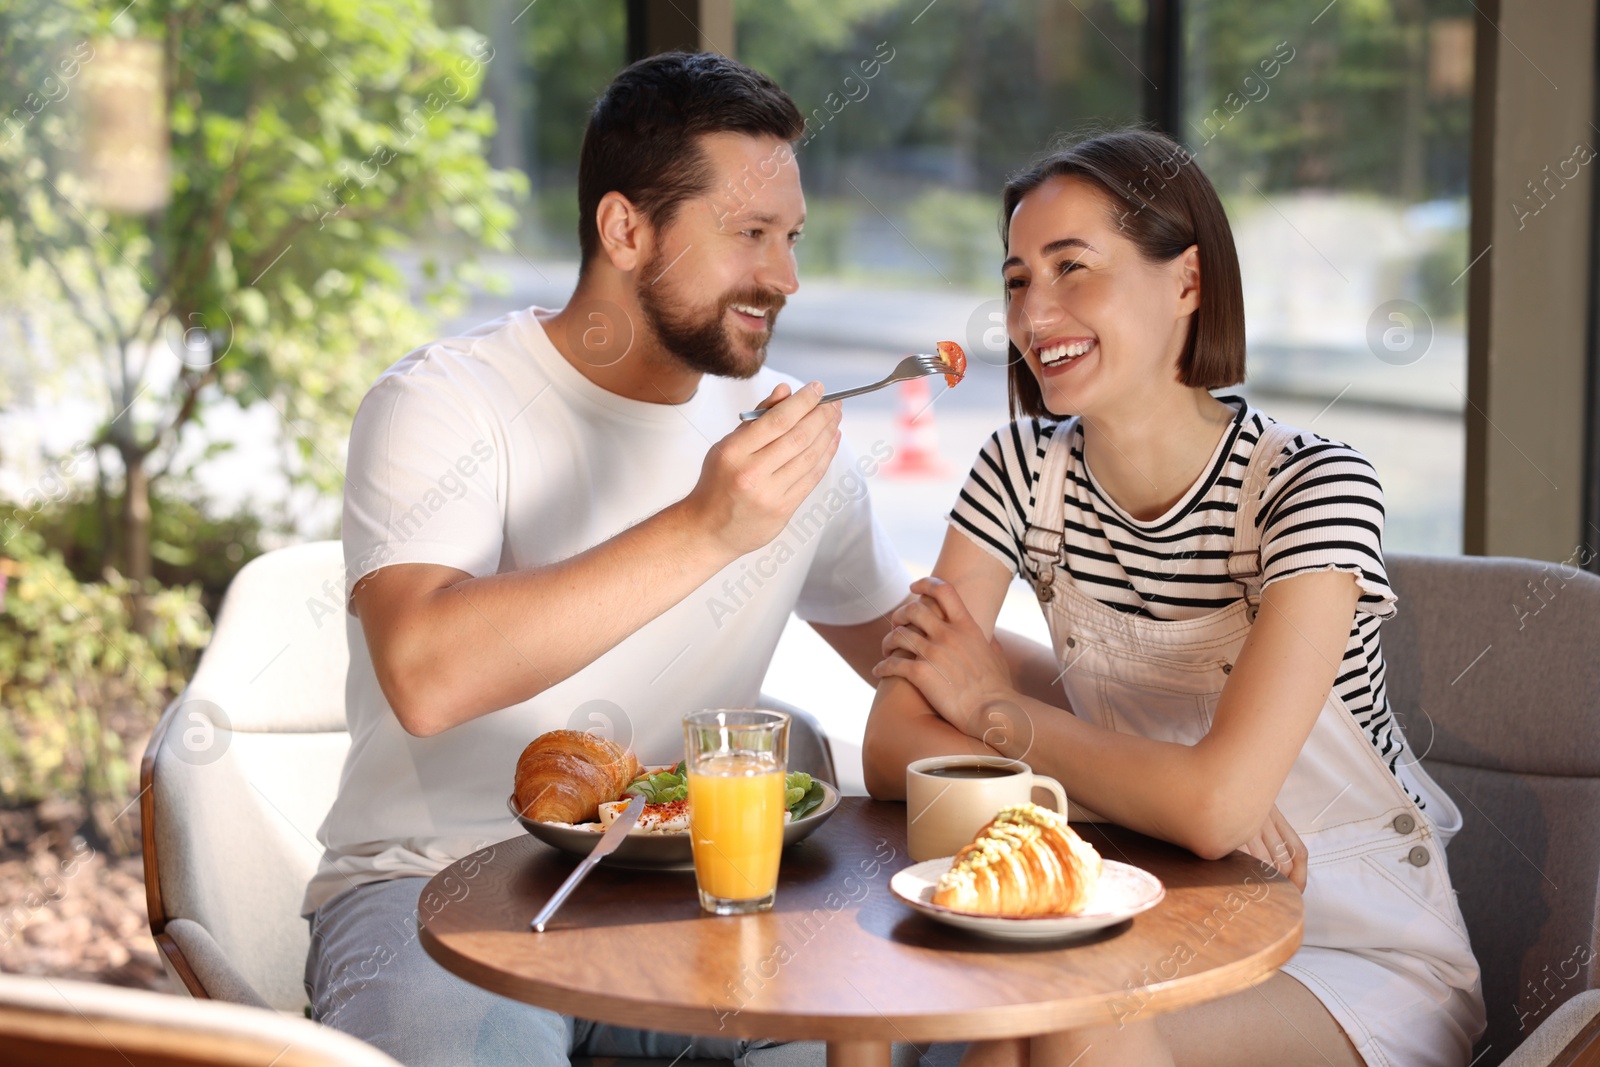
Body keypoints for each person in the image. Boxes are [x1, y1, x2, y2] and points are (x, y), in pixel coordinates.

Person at [300, 51, 976, 1067]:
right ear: (625, 229)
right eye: (749, 235)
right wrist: (708, 525)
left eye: (789, 239)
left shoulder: (785, 439)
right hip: (435, 889)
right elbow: (428, 674)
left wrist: (1183, 746)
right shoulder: (444, 402)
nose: (785, 278)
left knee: (995, 1020)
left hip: (696, 898)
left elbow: (935, 666)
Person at [861, 129, 1485, 1067]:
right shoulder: (1020, 470)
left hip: (1352, 946)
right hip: (1152, 901)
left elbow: (1218, 807)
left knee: (1063, 1013)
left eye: (1075, 268)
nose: (1037, 313)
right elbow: (891, 746)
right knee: (1009, 1028)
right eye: (1019, 279)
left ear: (1187, 280)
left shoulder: (1313, 487)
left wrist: (993, 706)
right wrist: (1180, 805)